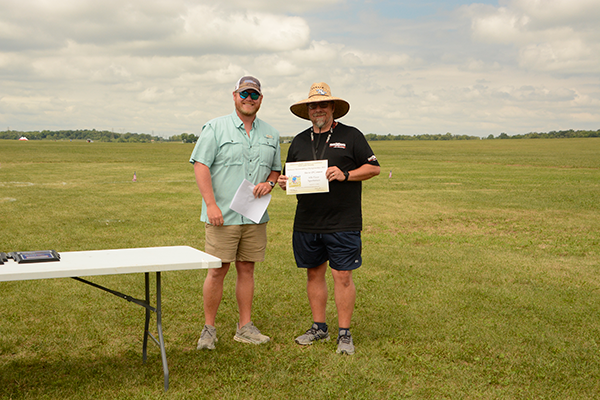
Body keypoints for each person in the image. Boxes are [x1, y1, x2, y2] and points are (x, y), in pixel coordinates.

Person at [278, 82, 380, 355]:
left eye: (323, 104)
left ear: (333, 108)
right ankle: (319, 327)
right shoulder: (299, 140)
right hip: (307, 220)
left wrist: (345, 174)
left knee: (342, 275)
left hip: (343, 220)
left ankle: (344, 334)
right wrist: (285, 183)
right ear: (307, 110)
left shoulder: (351, 135)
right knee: (314, 273)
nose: (318, 109)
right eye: (313, 105)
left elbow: (373, 168)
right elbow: (288, 174)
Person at [189, 76, 281, 350]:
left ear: (261, 99)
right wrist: (211, 204)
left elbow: (275, 169)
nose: (249, 99)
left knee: (247, 269)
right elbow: (201, 165)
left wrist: (270, 183)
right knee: (217, 271)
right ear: (235, 95)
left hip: (254, 216)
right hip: (222, 215)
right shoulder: (215, 127)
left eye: (254, 95)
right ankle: (209, 329)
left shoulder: (271, 133)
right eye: (244, 94)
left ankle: (245, 327)